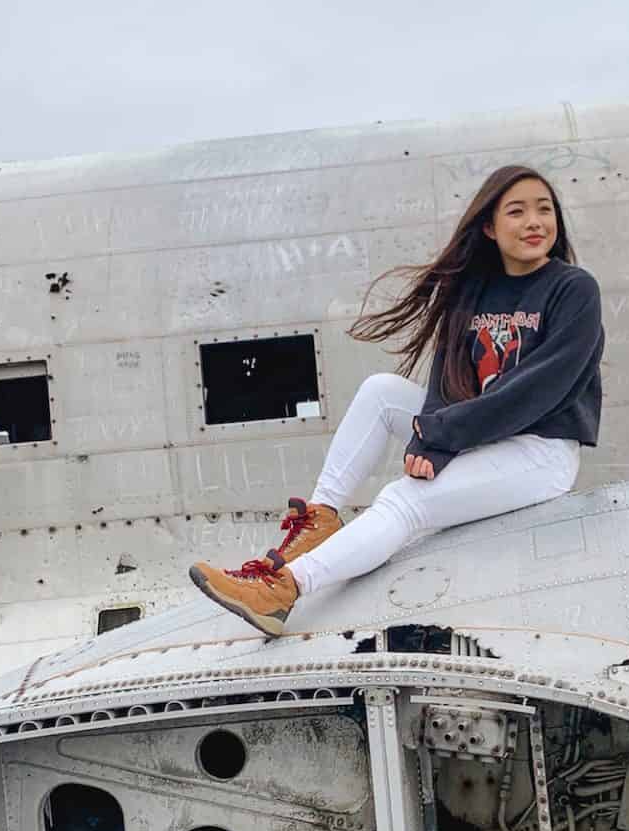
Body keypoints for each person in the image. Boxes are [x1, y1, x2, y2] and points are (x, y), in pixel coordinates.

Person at [189, 164, 604, 636]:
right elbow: (447, 386)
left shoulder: (574, 289)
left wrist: (439, 438)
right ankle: (322, 517)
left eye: (544, 210)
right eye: (517, 211)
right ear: (488, 227)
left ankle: (283, 589)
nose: (534, 222)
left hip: (539, 450)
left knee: (405, 499)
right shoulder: (474, 292)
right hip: (480, 435)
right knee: (381, 393)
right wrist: (432, 440)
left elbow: (537, 391)